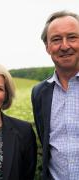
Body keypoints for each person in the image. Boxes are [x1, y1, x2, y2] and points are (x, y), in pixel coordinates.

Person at [31, 10, 79, 180]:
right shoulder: (39, 93)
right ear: (47, 47)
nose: (65, 46)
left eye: (72, 37)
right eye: (56, 39)